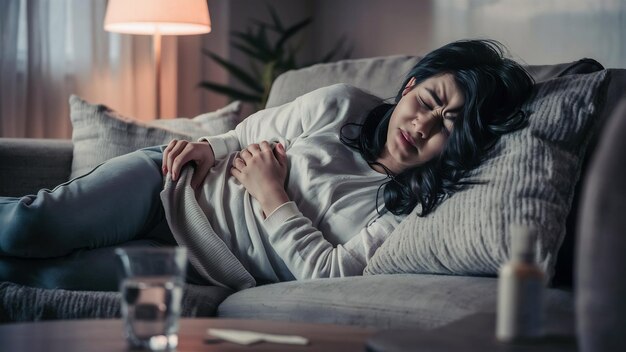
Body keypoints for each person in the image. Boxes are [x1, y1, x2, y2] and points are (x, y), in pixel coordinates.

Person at [0, 39, 534, 291]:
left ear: (461, 143)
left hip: (204, 265)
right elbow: (247, 132)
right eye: (429, 101)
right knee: (30, 225)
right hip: (170, 185)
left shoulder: (408, 211)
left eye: (450, 125)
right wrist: (210, 148)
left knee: (42, 275)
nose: (425, 125)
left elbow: (329, 275)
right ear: (411, 85)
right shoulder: (342, 105)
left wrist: (271, 194)